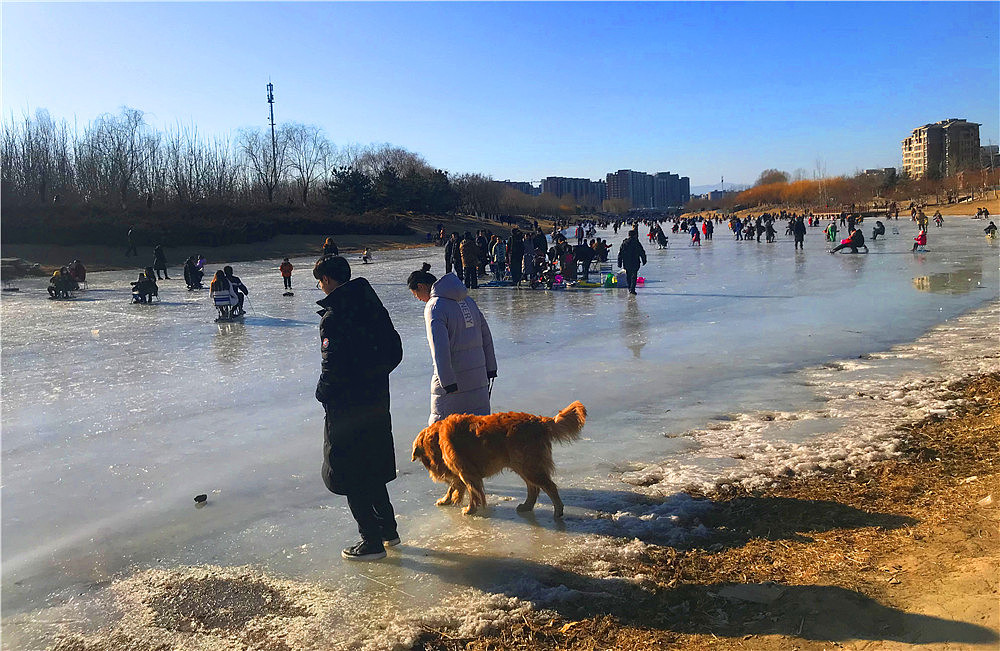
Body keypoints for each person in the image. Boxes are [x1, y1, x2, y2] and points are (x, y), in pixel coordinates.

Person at [314, 255, 403, 561]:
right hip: (376, 401)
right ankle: (388, 530)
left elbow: (332, 366)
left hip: (347, 408)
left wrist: (323, 394)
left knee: (351, 472)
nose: (320, 286)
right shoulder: (373, 306)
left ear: (327, 280)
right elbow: (395, 351)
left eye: (320, 281)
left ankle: (371, 541)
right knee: (372, 466)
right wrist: (373, 377)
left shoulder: (335, 316)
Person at [406, 263, 497, 425]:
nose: (418, 299)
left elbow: (439, 348)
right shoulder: (468, 301)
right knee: (477, 428)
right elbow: (486, 336)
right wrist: (491, 368)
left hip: (454, 384)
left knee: (445, 430)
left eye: (416, 294)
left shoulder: (434, 307)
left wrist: (447, 382)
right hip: (478, 379)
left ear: (421, 286)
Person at [617, 229, 647, 295]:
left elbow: (620, 253)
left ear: (628, 235)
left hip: (627, 262)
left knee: (628, 275)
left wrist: (619, 262)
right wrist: (644, 260)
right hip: (635, 261)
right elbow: (642, 252)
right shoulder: (636, 243)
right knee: (634, 275)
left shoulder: (624, 243)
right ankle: (632, 289)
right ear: (634, 235)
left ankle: (629, 288)